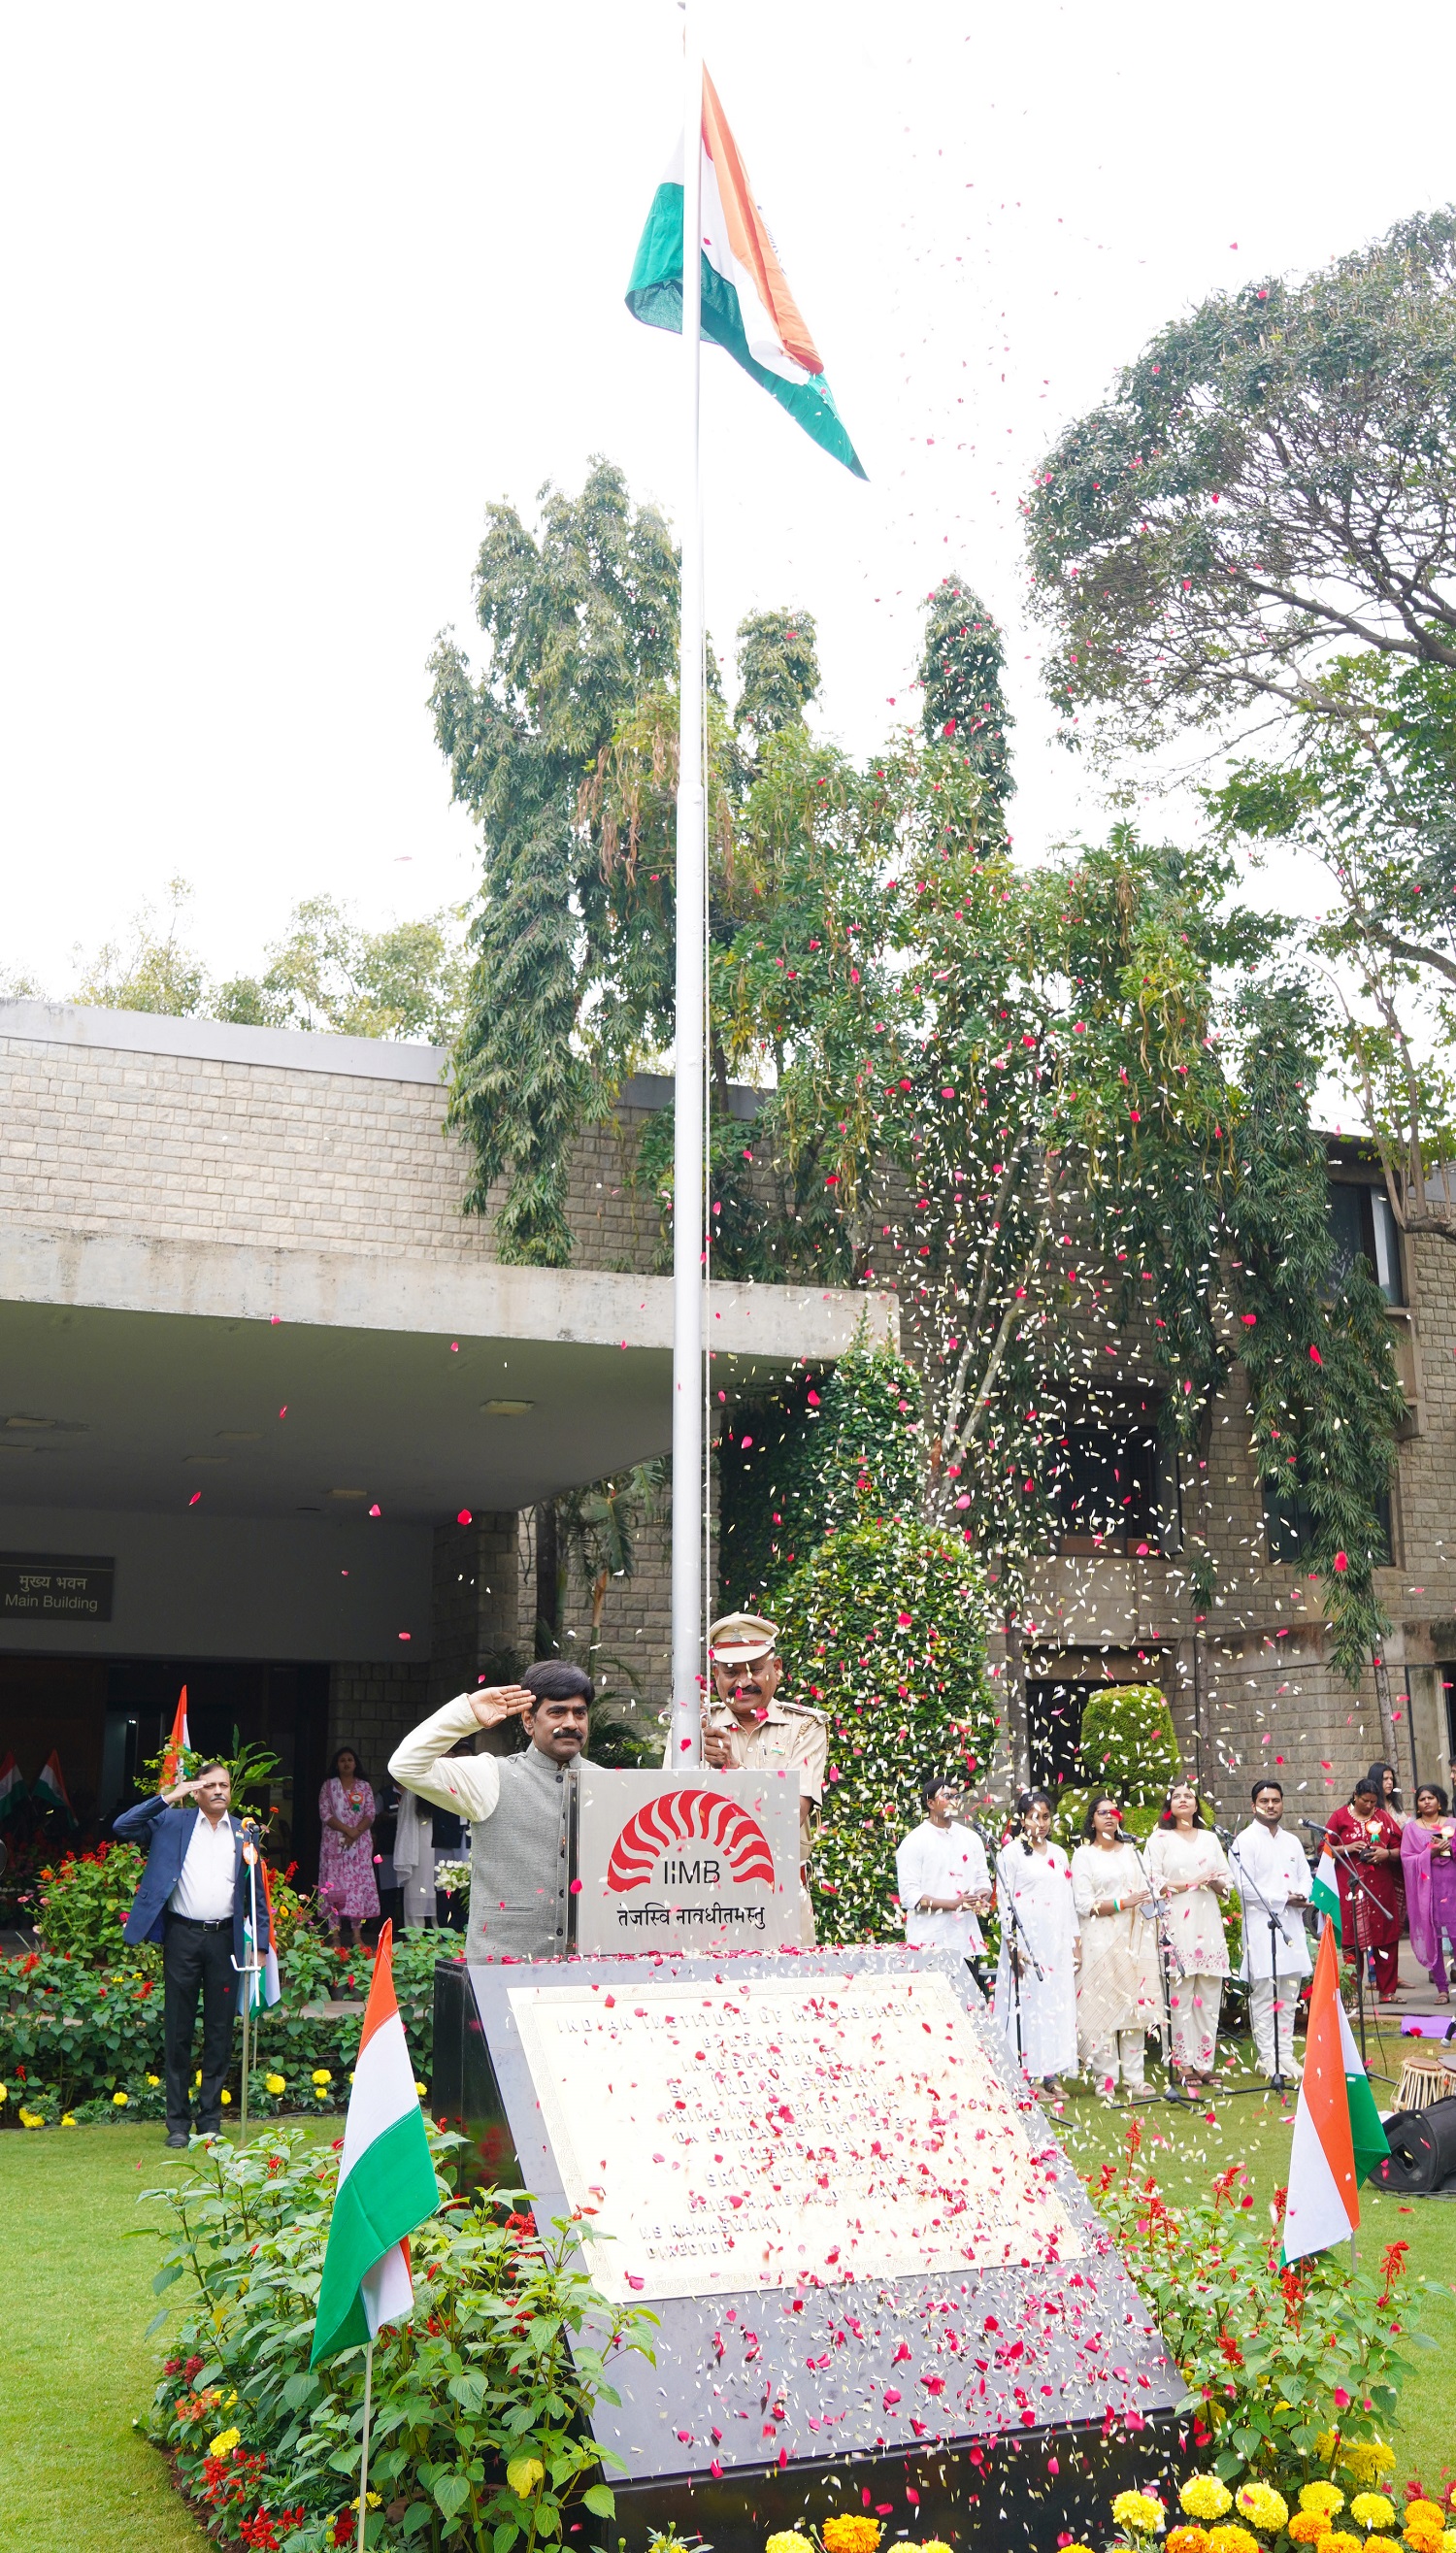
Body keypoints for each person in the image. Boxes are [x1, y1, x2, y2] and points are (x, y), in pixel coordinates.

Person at [388, 1661, 590, 1963]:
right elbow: (405, 1765)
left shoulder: (607, 1784)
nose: (571, 1723)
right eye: (557, 1712)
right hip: (501, 1972)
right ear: (528, 1720)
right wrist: (467, 1714)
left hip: (589, 1973)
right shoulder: (491, 1775)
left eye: (580, 1712)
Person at [115, 1760, 271, 2147]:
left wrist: (263, 1944)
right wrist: (169, 1796)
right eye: (211, 1785)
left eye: (225, 1785)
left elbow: (257, 1894)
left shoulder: (243, 1833)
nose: (219, 1791)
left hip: (225, 1942)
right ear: (197, 1790)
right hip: (183, 1937)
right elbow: (123, 1827)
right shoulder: (173, 1822)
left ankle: (211, 2122)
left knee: (219, 2032)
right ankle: (178, 2126)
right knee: (179, 2029)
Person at [671, 1612, 826, 1945]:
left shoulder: (805, 1728)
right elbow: (672, 1815)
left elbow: (789, 1816)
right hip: (702, 1900)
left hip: (779, 1896)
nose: (743, 1682)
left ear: (777, 1668)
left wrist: (732, 1770)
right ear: (715, 1675)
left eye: (755, 1669)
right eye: (730, 1672)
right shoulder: (692, 1726)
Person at [1070, 1795, 1161, 2101]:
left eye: (1113, 1812)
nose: (1109, 1817)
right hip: (1099, 1938)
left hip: (1135, 1936)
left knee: (1133, 2010)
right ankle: (1105, 2078)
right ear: (1092, 1820)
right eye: (1102, 1813)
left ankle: (1135, 2078)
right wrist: (1123, 1902)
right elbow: (1082, 1903)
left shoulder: (1133, 1852)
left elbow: (1149, 1887)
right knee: (1104, 2010)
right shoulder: (1084, 1855)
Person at [1143, 1779, 1232, 2089]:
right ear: (1168, 1806)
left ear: (1196, 1805)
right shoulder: (1160, 1839)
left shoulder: (1210, 1839)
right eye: (1176, 1796)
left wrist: (1216, 1883)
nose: (1183, 1800)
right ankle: (1182, 2064)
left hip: (1207, 1922)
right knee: (1180, 1999)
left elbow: (1226, 1881)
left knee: (1208, 1997)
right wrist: (1193, 1882)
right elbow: (1152, 1883)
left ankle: (1205, 2064)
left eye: (1188, 1796)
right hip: (1176, 1924)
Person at [993, 1787, 1079, 2097]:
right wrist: (1013, 1945)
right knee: (1028, 2007)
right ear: (1021, 1819)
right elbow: (1004, 1904)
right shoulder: (1010, 1854)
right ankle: (1027, 2076)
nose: (1041, 1823)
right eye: (1034, 1817)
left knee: (1055, 2005)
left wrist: (1075, 1942)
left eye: (1046, 1817)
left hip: (1055, 1943)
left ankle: (1051, 2073)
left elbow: (1067, 1901)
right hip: (1026, 1943)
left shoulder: (1059, 1854)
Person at [1228, 1779, 1311, 2083]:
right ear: (1254, 1806)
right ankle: (1268, 2058)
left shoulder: (1291, 1841)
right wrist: (1282, 1898)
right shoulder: (1244, 1842)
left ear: (1282, 1803)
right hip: (1262, 1926)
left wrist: (1301, 1895)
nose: (1271, 1806)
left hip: (1290, 1923)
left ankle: (1286, 2054)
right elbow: (1244, 1887)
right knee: (1265, 1995)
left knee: (1288, 1995)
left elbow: (1305, 1876)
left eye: (1275, 1800)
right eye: (1264, 1801)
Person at [895, 1775, 992, 1971]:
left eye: (957, 1797)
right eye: (947, 1796)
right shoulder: (914, 1842)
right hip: (928, 1944)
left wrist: (980, 1897)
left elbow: (983, 1880)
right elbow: (909, 1897)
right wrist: (953, 1905)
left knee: (968, 2002)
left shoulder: (971, 1838)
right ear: (930, 1803)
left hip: (965, 1942)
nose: (954, 1801)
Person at [1326, 1775, 1405, 2002]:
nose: (1370, 1806)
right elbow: (1325, 1847)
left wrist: (1386, 1853)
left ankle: (1387, 1992)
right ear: (1355, 1796)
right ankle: (1353, 1994)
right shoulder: (1339, 1817)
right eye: (1365, 1801)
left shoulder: (1383, 1817)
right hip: (1350, 1886)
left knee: (1386, 1937)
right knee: (1352, 1941)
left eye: (1373, 1802)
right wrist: (1347, 1847)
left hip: (1380, 1887)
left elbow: (1401, 1848)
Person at [317, 1746, 379, 1947]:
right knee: (335, 1890)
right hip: (334, 1845)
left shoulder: (364, 1787)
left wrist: (356, 1832)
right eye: (342, 1760)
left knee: (356, 1889)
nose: (346, 1763)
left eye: (350, 1760)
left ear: (355, 1764)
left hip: (359, 1848)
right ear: (337, 1764)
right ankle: (335, 1935)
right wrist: (348, 1830)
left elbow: (370, 1813)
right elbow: (326, 1814)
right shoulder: (328, 1786)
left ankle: (356, 1934)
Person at [1403, 1783, 1456, 2001]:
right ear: (1417, 1805)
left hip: (1452, 1887)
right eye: (1422, 1799)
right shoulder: (1412, 1830)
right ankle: (1442, 1989)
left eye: (1431, 1798)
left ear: (1439, 1801)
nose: (1426, 1802)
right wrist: (1429, 1855)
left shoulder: (1452, 1824)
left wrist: (1449, 1847)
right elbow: (1407, 1860)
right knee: (1432, 1937)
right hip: (1428, 1891)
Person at [1367, 1760, 1409, 1827]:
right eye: (1385, 1779)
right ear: (1376, 1780)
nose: (1390, 1782)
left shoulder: (1394, 1804)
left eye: (1391, 1779)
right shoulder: (1369, 1806)